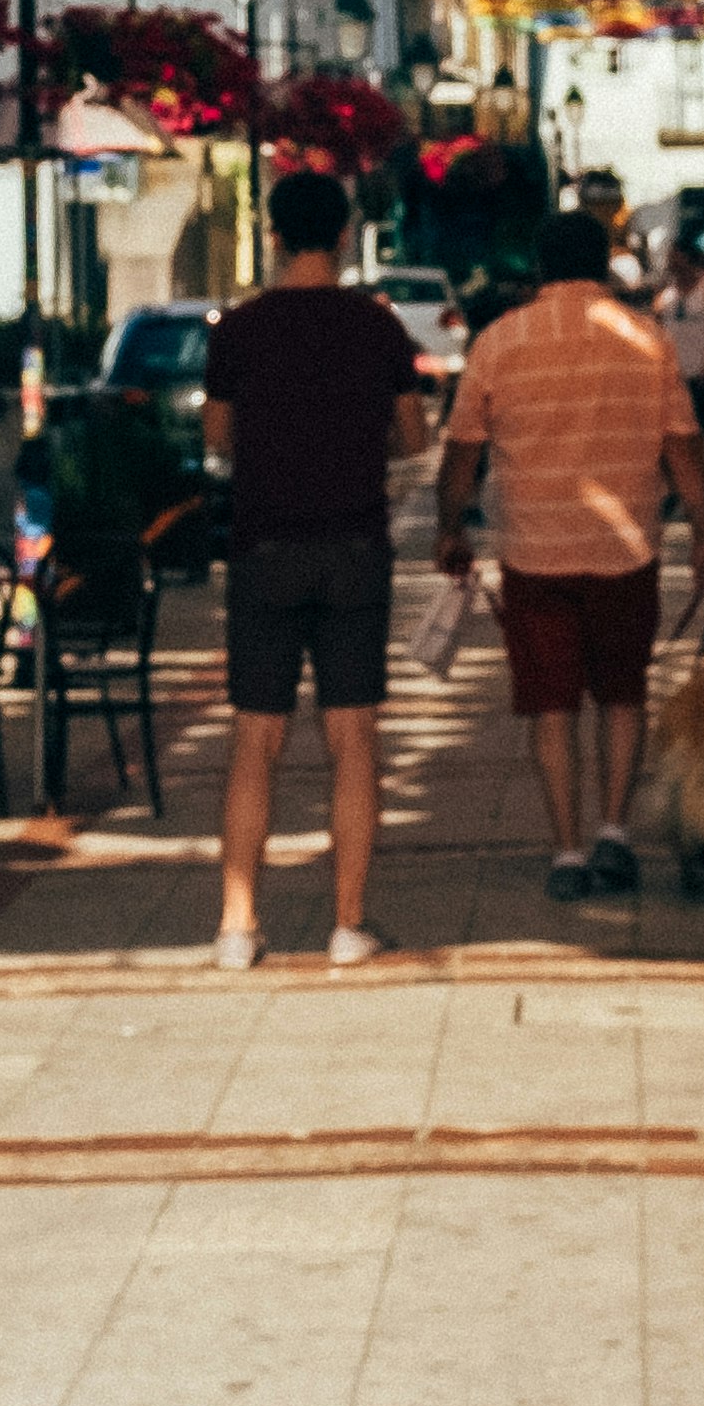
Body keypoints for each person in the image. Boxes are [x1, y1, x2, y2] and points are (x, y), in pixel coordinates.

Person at [434, 211, 704, 900]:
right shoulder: (647, 338)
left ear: (539, 266)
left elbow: (462, 454)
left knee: (553, 706)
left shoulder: (498, 343)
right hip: (627, 548)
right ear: (604, 265)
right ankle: (614, 834)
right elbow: (683, 445)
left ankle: (566, 852)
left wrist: (452, 530)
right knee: (623, 693)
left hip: (533, 553)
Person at [199, 169, 432, 970]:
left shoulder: (237, 330)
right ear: (344, 234)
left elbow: (219, 439)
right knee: (354, 737)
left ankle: (237, 926)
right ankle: (348, 923)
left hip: (263, 547)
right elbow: (414, 437)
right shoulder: (378, 328)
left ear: (272, 235)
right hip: (355, 548)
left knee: (254, 739)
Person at [653, 242, 704, 439]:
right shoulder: (666, 290)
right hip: (673, 372)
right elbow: (656, 322)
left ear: (687, 258)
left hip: (698, 371)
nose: (670, 263)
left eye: (674, 258)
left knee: (700, 427)